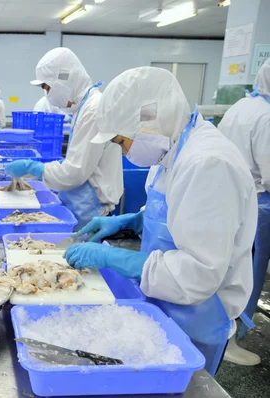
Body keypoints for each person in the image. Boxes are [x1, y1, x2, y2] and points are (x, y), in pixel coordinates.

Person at [64, 66, 257, 375]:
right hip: (167, 304)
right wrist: (133, 221)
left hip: (198, 316)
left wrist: (115, 257)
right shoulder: (171, 148)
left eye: (121, 141)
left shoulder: (208, 163)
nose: (124, 152)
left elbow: (200, 273)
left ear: (149, 122)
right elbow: (179, 213)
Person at [6, 47, 123, 230]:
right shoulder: (83, 107)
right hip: (81, 203)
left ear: (63, 80)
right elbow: (81, 161)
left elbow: (74, 173)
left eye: (47, 87)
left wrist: (34, 168)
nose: (47, 93)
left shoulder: (93, 109)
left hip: (91, 209)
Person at [217, 58, 270, 364]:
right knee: (248, 268)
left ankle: (224, 331)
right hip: (257, 201)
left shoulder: (240, 105)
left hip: (230, 196)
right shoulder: (265, 116)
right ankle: (234, 334)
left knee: (230, 267)